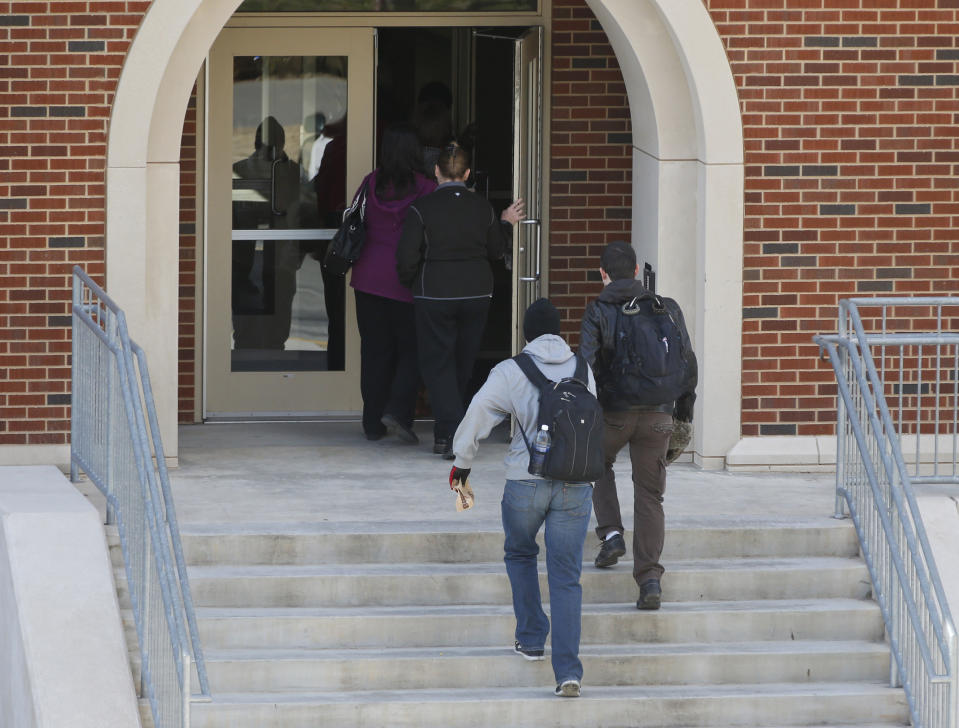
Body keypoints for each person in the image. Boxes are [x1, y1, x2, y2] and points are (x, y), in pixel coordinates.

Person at [448, 298, 595, 699]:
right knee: (566, 578)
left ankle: (531, 639)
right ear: (560, 331)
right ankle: (568, 673)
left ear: (526, 333)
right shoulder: (583, 368)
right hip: (576, 485)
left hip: (525, 482)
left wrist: (463, 465)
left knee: (520, 553)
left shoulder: (511, 371)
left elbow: (478, 413)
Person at [578, 240, 698, 610]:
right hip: (659, 415)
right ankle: (649, 580)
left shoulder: (598, 309)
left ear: (602, 274)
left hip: (613, 413)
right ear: (635, 271)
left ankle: (612, 534)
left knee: (596, 463)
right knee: (650, 496)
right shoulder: (668, 307)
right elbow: (688, 365)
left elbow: (585, 367)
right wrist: (683, 415)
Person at [395, 141, 524, 458]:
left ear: (436, 171)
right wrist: (506, 222)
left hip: (434, 293)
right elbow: (495, 251)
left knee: (438, 365)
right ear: (467, 174)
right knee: (462, 364)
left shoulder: (421, 208)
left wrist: (412, 282)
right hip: (477, 293)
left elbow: (406, 258)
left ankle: (449, 434)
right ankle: (451, 433)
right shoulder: (482, 207)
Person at [348, 123, 436, 442]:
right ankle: (398, 411)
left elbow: (353, 218)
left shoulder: (371, 183)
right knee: (412, 350)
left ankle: (372, 423)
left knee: (374, 352)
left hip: (368, 278)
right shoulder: (427, 188)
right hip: (406, 280)